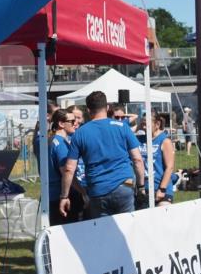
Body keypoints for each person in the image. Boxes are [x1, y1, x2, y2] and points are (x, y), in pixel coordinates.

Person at [60, 91, 145, 219]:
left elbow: (69, 169)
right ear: (107, 108)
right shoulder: (122, 127)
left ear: (88, 110)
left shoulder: (80, 133)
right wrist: (141, 186)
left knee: (103, 235)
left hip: (98, 191)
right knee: (127, 232)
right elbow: (137, 159)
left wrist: (64, 196)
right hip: (124, 186)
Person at [48, 110, 84, 225]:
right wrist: (83, 193)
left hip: (52, 194)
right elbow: (68, 173)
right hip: (63, 196)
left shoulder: (51, 140)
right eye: (72, 121)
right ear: (61, 124)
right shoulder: (60, 144)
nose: (76, 123)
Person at [142, 113, 175, 205]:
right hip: (144, 189)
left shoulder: (165, 141)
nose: (144, 127)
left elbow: (170, 167)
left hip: (161, 188)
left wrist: (162, 189)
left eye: (146, 124)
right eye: (142, 124)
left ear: (157, 124)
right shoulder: (141, 139)